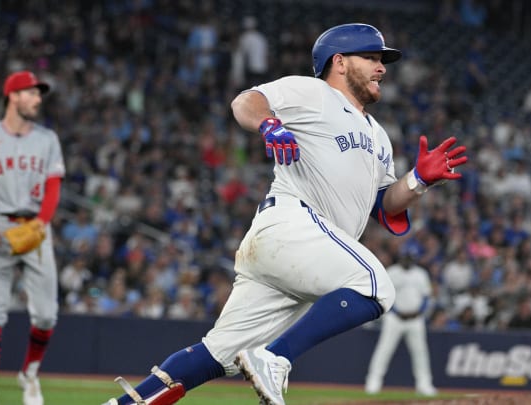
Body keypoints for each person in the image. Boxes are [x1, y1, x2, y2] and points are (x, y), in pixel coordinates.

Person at [101, 23, 466, 405]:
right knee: (375, 286)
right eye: (371, 58)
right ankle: (274, 359)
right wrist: (268, 123)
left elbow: (384, 204)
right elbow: (245, 102)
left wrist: (418, 180)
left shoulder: (378, 135)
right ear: (339, 62)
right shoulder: (314, 92)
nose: (382, 68)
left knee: (216, 355)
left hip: (296, 252)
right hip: (293, 225)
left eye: (381, 60)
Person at [0, 70, 65, 405]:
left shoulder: (47, 139)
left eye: (38, 94)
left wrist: (42, 223)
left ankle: (29, 374)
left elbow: (53, 186)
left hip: (36, 228)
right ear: (13, 96)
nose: (37, 99)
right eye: (32, 93)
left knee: (47, 315)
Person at [364, 246, 437, 396]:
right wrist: (396, 311)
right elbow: (385, 295)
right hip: (395, 318)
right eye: (406, 257)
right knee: (384, 350)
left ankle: (424, 384)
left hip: (415, 319)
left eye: (411, 258)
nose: (408, 261)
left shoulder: (420, 274)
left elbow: (426, 297)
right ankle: (373, 382)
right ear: (401, 257)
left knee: (420, 352)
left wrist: (420, 311)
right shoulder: (392, 272)